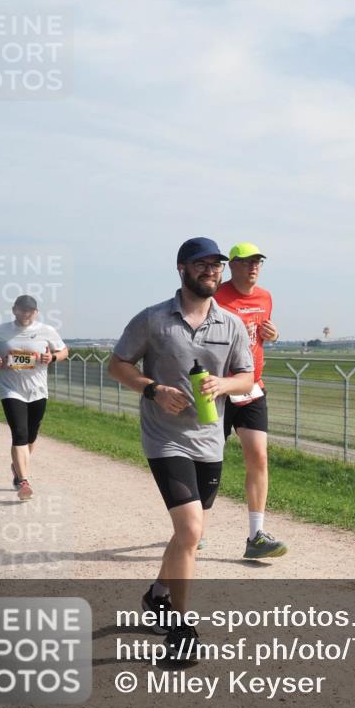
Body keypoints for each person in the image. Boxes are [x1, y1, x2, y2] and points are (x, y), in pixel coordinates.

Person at [108, 237, 253, 658]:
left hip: (210, 439)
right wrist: (153, 390)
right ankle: (181, 629)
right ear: (182, 268)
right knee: (190, 529)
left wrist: (224, 384)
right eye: (202, 264)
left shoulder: (232, 325)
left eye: (217, 265)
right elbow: (117, 365)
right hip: (165, 437)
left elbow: (246, 376)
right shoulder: (153, 319)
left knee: (187, 535)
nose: (212, 270)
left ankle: (157, 594)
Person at [213, 242, 288, 559]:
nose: (253, 267)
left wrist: (274, 335)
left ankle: (256, 536)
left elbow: (262, 335)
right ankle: (194, 527)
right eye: (245, 262)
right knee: (208, 461)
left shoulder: (266, 297)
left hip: (252, 387)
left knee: (258, 456)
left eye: (258, 262)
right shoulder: (216, 296)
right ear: (232, 265)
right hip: (219, 387)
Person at [0, 295, 69, 499]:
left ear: (36, 312)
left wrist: (53, 358)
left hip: (38, 391)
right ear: (14, 310)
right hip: (11, 389)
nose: (26, 313)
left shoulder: (46, 330)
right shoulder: (1, 331)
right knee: (20, 433)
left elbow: (64, 351)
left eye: (30, 310)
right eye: (22, 309)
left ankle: (17, 467)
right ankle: (23, 481)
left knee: (31, 435)